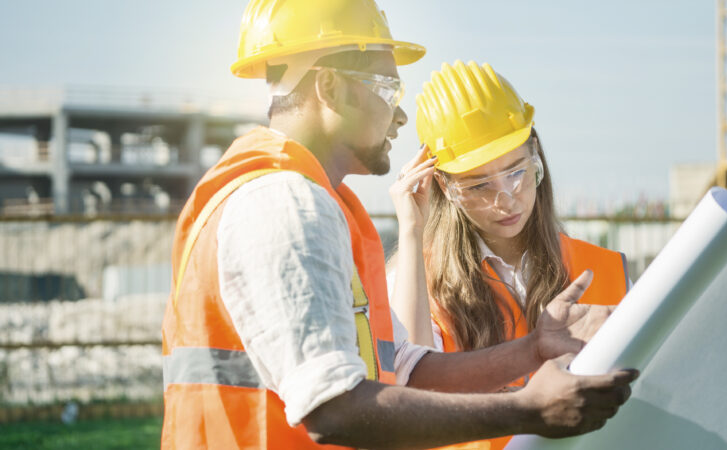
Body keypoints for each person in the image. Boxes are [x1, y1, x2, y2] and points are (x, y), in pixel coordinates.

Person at [161, 2, 637, 449]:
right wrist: (527, 410)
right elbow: (333, 409)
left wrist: (532, 350)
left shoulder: (316, 200)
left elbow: (403, 370)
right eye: (388, 89)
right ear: (329, 88)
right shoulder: (285, 202)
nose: (401, 115)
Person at [389, 60, 632, 449]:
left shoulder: (606, 269)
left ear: (535, 154)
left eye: (517, 172)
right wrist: (411, 230)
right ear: (444, 187)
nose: (505, 200)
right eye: (479, 186)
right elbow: (412, 392)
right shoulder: (416, 281)